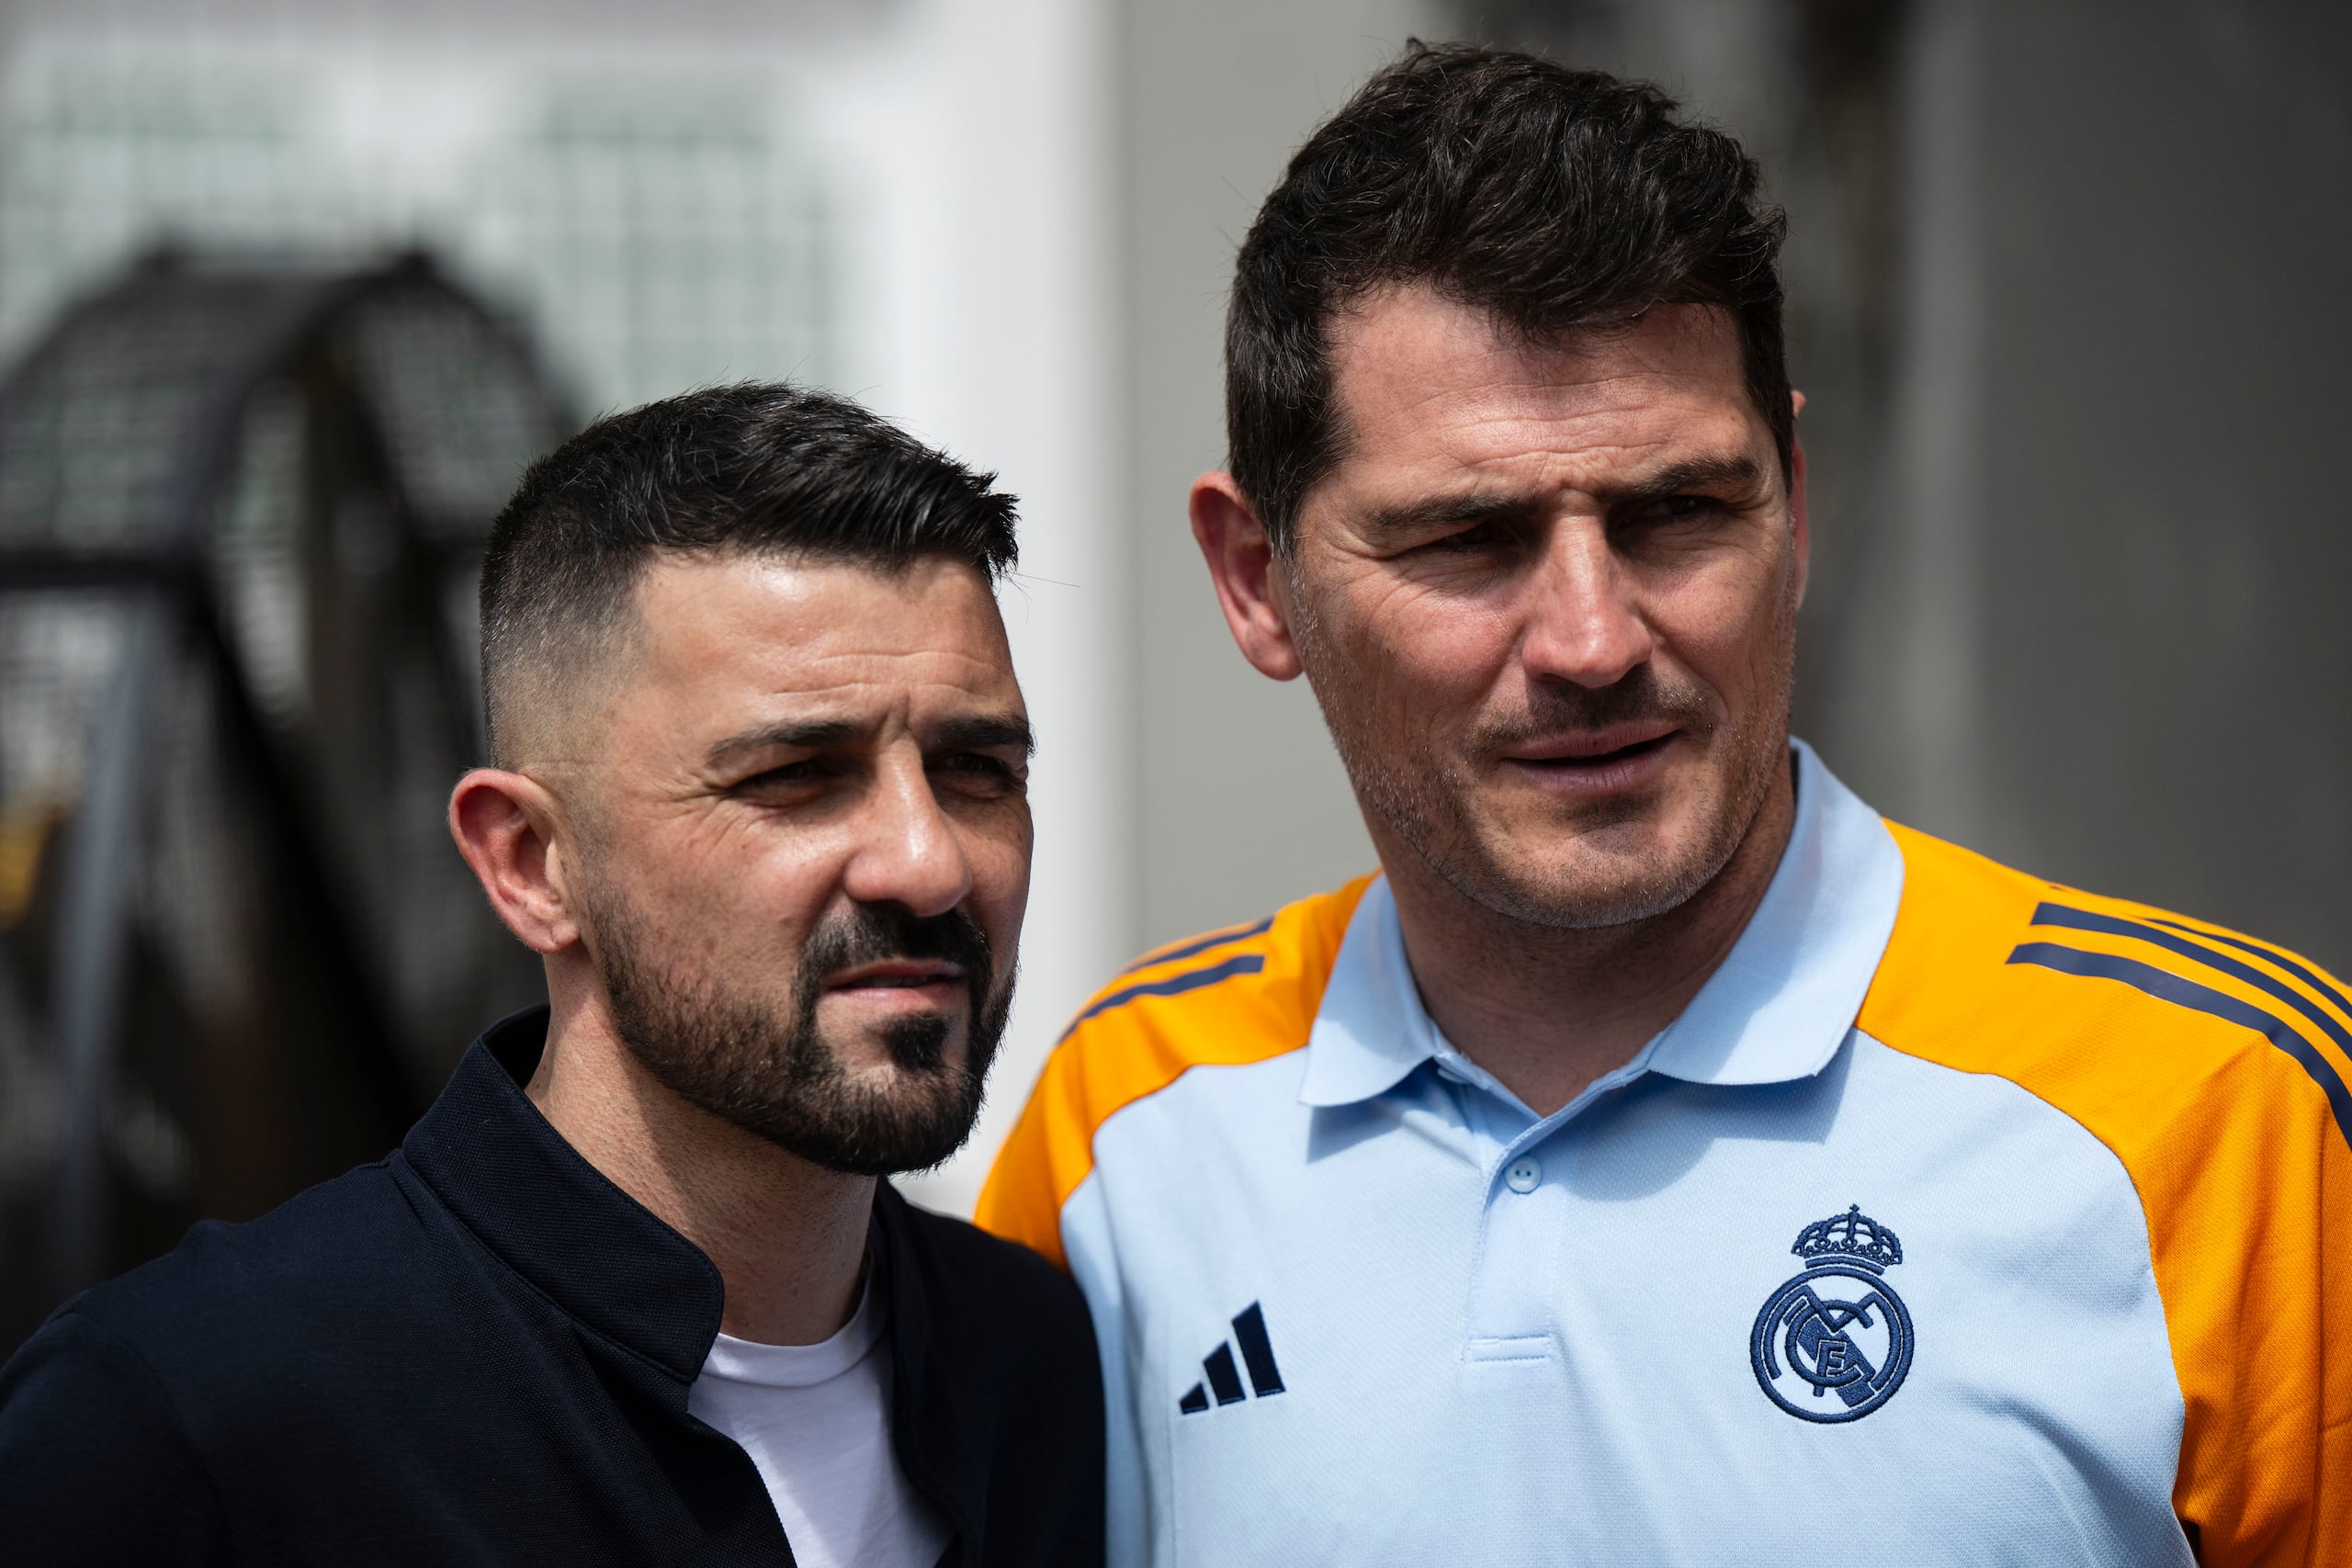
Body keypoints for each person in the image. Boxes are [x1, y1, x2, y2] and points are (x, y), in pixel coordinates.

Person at [977, 43, 2346, 1567]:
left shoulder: (2225, 1116)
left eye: (1679, 512)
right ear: (1257, 580)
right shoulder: (1124, 1130)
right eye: (1469, 539)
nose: (1594, 641)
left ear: (1796, 509)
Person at [0, 383, 1104, 1566]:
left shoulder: (1048, 1366)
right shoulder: (183, 1425)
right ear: (531, 864)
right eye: (794, 777)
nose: (928, 863)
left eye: (976, 770)